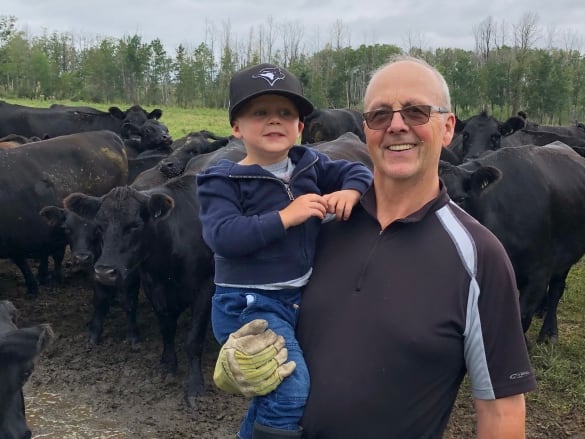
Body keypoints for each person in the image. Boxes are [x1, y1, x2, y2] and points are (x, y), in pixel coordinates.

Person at [210, 55, 537, 438]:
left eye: (415, 112)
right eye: (380, 115)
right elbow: (256, 298)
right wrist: (241, 358)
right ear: (365, 130)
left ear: (448, 128)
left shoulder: (478, 256)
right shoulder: (317, 225)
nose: (397, 126)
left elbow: (502, 409)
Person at [196, 63, 373, 439]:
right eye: (260, 112)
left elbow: (358, 172)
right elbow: (223, 236)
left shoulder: (309, 163)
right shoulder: (222, 180)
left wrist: (351, 191)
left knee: (273, 393)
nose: (274, 121)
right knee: (290, 392)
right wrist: (286, 217)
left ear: (300, 127)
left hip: (297, 299)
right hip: (249, 305)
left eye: (285, 113)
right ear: (236, 127)